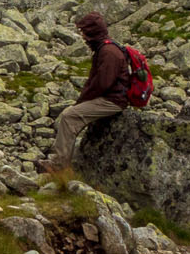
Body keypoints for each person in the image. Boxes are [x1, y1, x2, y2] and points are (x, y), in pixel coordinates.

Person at [39, 11, 128, 173]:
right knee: (72, 114)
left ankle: (59, 166)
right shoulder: (106, 48)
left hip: (113, 100)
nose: (84, 38)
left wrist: (82, 101)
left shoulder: (108, 52)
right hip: (112, 97)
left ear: (93, 32)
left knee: (68, 117)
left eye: (85, 33)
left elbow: (102, 84)